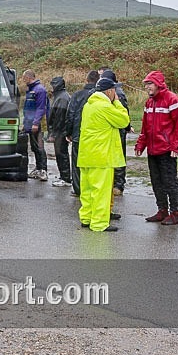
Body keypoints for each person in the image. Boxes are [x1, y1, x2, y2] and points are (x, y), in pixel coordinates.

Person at [135, 70, 178, 225]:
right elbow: (145, 127)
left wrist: (177, 146)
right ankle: (162, 210)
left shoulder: (172, 100)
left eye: (150, 84)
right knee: (156, 181)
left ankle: (175, 213)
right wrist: (141, 144)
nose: (147, 87)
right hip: (153, 149)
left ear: (158, 84)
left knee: (169, 181)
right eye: (145, 84)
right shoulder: (149, 103)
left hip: (166, 150)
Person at [78, 77, 129, 232]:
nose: (116, 94)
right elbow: (123, 120)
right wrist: (118, 103)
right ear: (110, 91)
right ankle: (99, 223)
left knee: (87, 191)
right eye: (115, 91)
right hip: (101, 156)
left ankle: (86, 218)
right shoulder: (105, 106)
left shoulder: (89, 105)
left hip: (86, 155)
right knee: (101, 191)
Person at [65, 70, 98, 198]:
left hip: (78, 134)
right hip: (95, 135)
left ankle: (78, 188)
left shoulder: (77, 95)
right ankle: (92, 188)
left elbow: (71, 114)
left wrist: (69, 132)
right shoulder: (100, 95)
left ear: (87, 79)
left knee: (77, 163)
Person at [99, 67, 132, 195]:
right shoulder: (106, 92)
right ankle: (113, 182)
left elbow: (124, 112)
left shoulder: (118, 94)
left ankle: (119, 184)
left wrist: (127, 126)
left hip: (119, 129)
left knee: (119, 156)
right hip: (111, 128)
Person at [21, 70, 48, 181]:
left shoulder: (40, 90)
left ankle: (43, 170)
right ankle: (38, 168)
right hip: (30, 123)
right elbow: (28, 109)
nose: (23, 80)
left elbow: (41, 108)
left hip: (37, 124)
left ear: (28, 77)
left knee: (39, 146)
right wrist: (25, 123)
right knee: (34, 146)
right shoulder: (30, 90)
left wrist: (36, 123)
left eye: (24, 78)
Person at [47, 76, 71, 187]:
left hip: (60, 132)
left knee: (61, 154)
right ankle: (64, 176)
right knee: (61, 154)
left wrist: (53, 133)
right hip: (60, 131)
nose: (51, 87)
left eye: (52, 85)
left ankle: (65, 178)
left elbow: (59, 118)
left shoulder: (62, 98)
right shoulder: (60, 96)